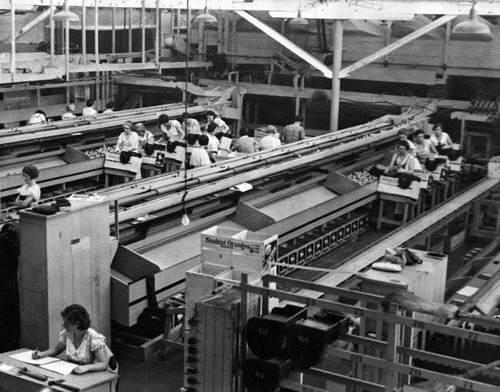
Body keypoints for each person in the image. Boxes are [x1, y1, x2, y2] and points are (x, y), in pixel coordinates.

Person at [32, 304, 117, 375]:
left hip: (91, 373)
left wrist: (86, 368)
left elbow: (103, 364)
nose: (63, 325)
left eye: (67, 324)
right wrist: (42, 354)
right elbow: (57, 349)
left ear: (77, 324)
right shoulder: (68, 334)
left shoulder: (93, 337)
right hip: (74, 372)